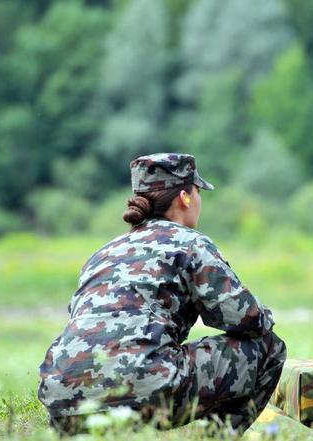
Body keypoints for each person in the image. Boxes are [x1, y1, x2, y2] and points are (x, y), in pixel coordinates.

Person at [38, 153, 286, 435]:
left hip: (63, 396)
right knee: (269, 346)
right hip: (146, 388)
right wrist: (266, 316)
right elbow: (244, 319)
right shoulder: (190, 243)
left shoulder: (104, 252)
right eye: (198, 192)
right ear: (185, 198)